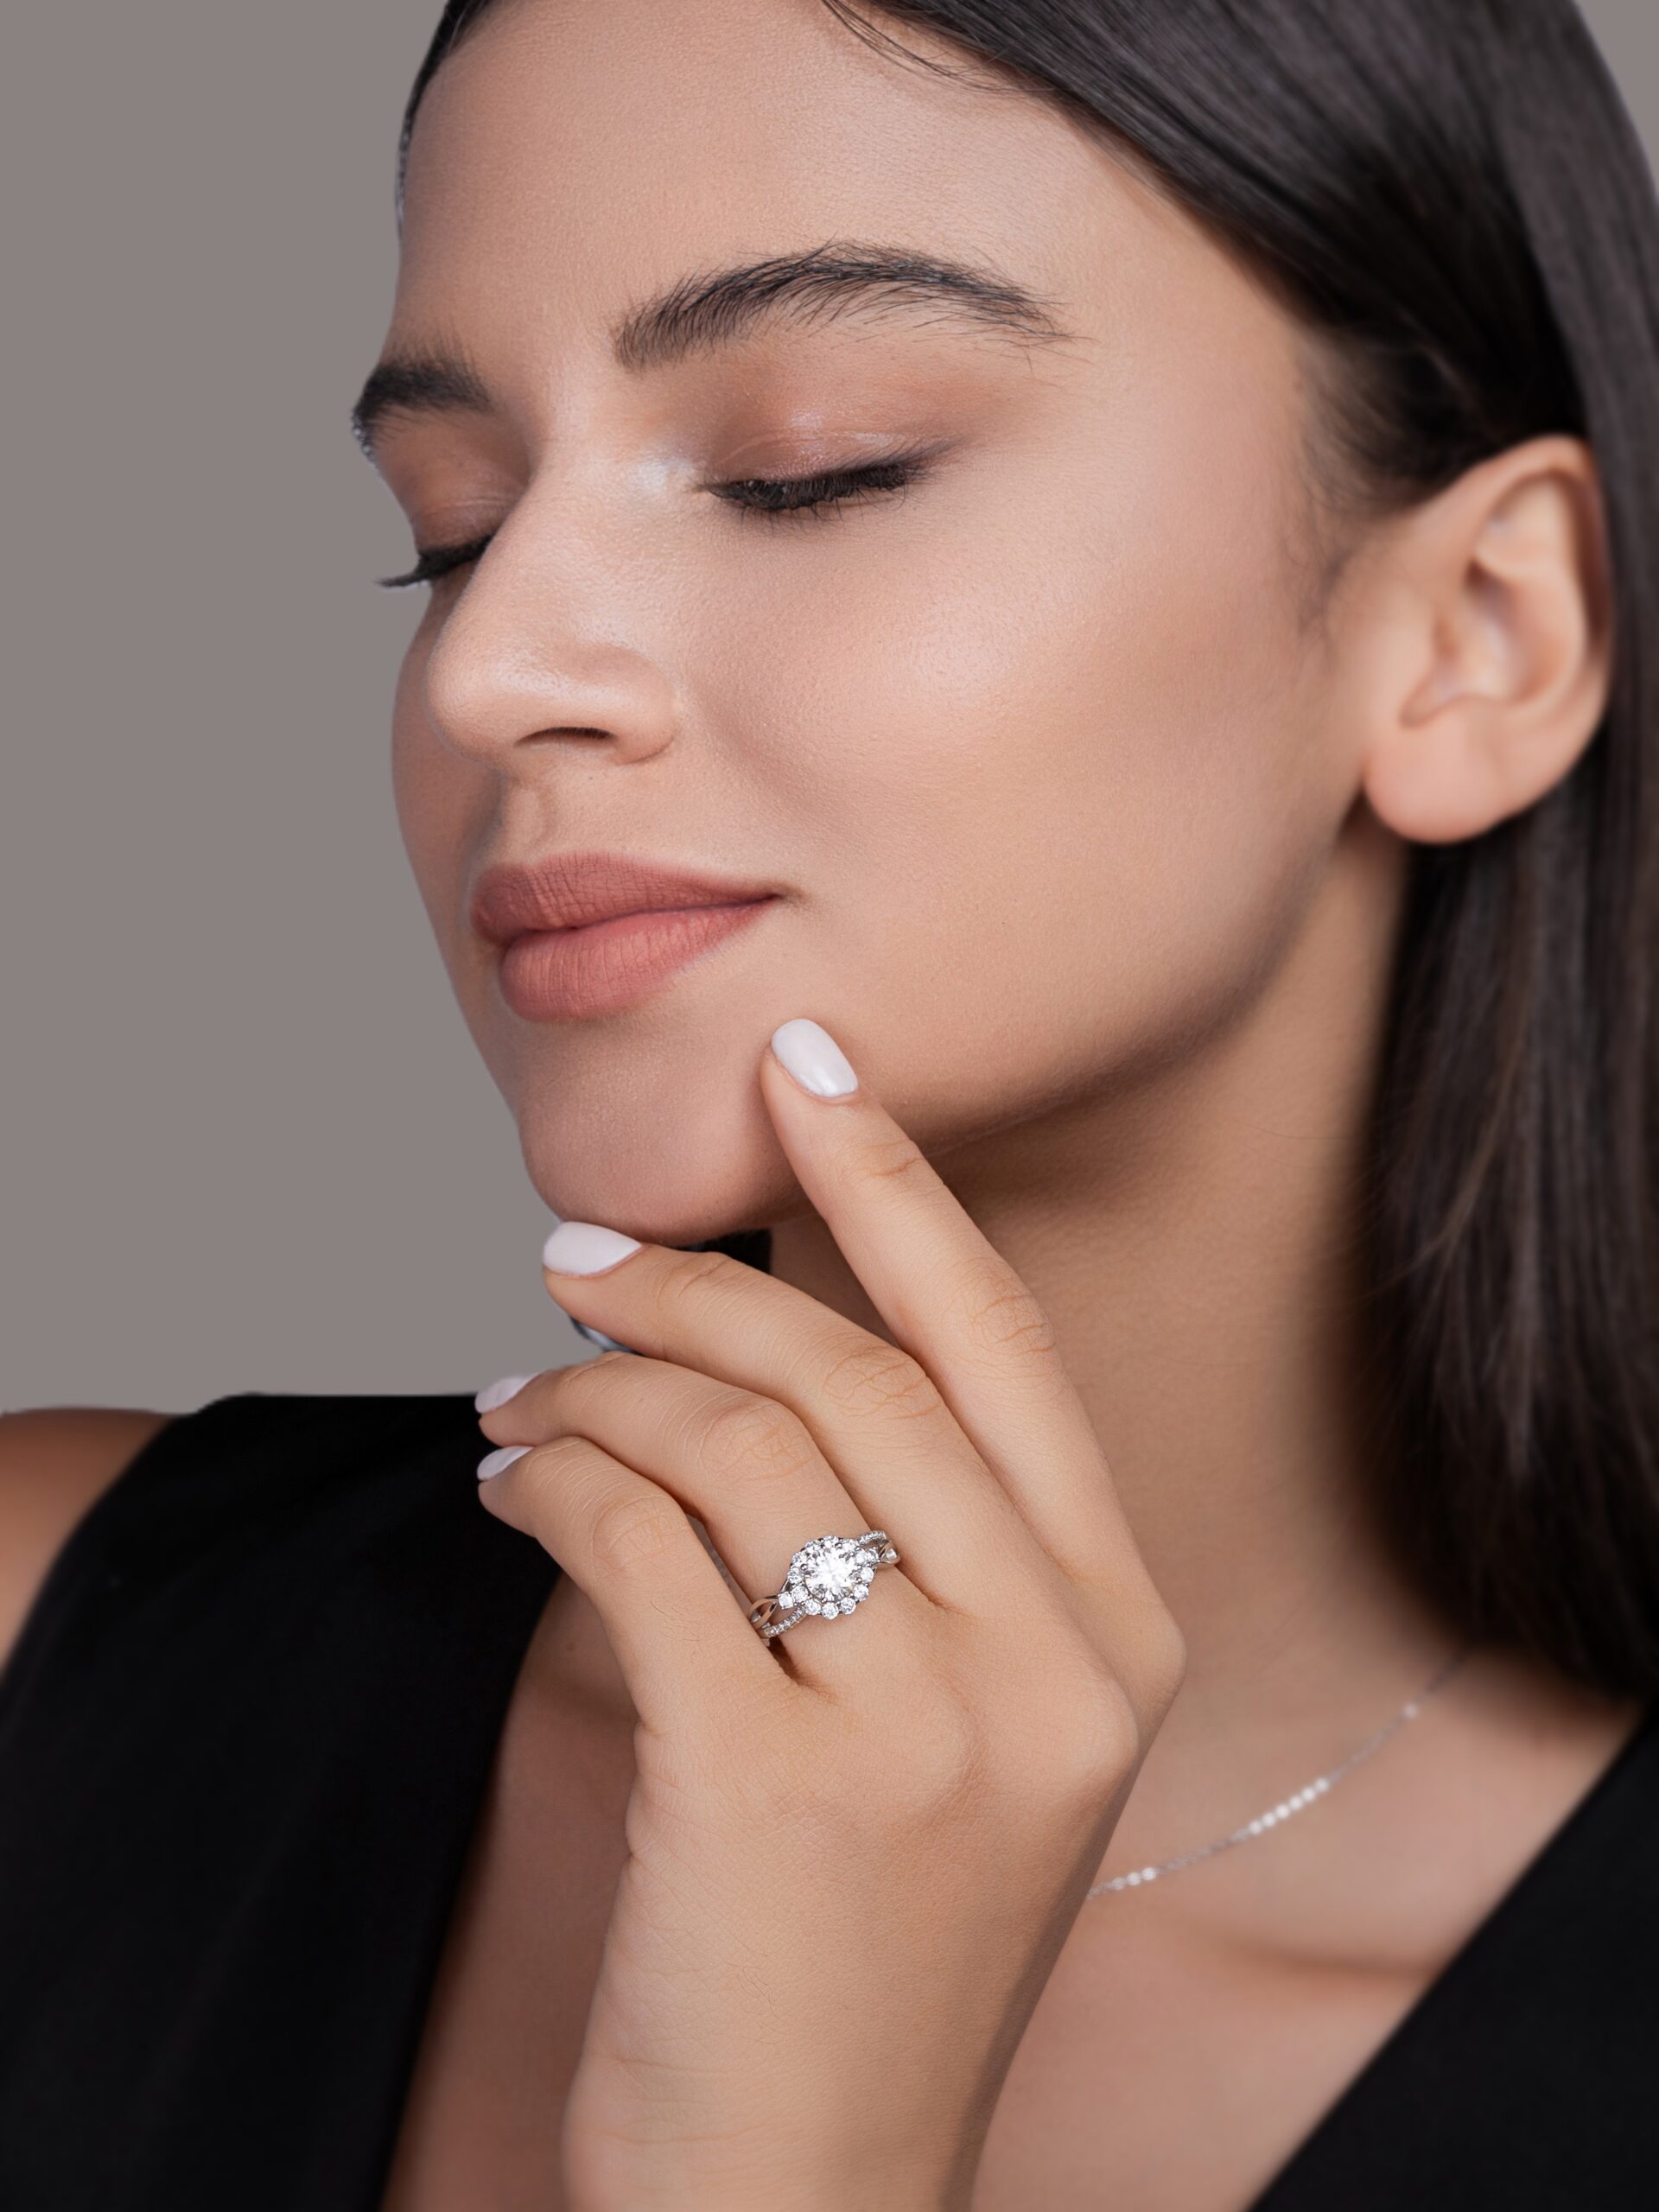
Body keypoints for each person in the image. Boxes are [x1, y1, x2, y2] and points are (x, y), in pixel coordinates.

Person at [3, 0, 1657, 2205]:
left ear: (1479, 632)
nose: (490, 668)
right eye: (450, 525)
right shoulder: (48, 1647)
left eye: (812, 466)